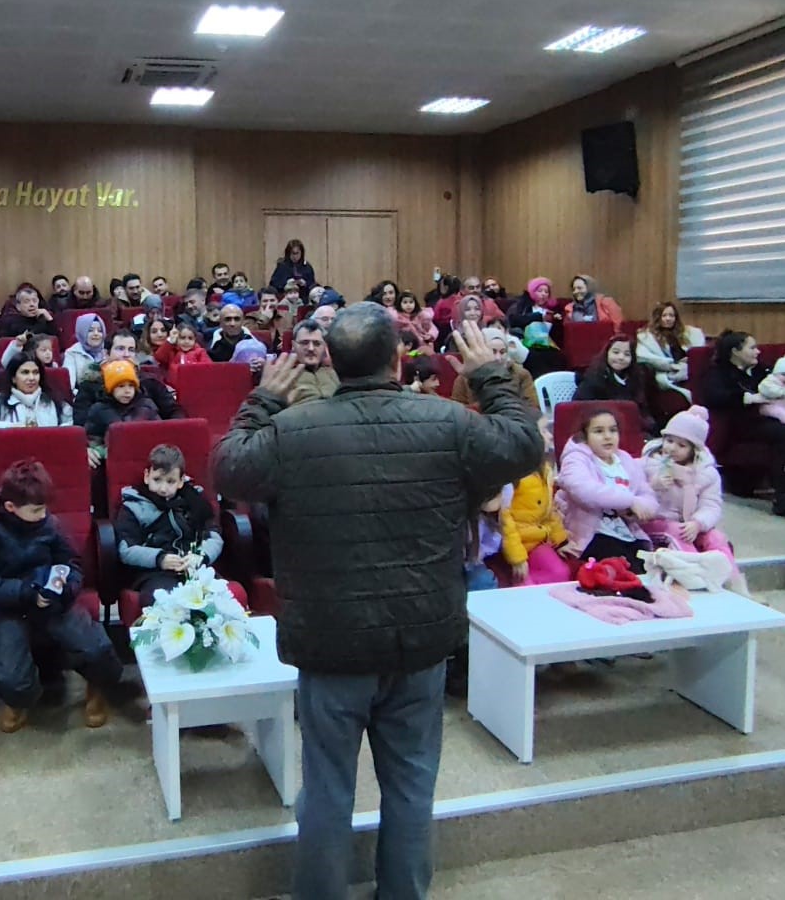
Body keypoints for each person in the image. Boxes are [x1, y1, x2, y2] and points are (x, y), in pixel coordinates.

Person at [212, 306, 541, 900]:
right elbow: (523, 445)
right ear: (397, 359)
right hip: (418, 638)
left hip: (331, 642)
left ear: (332, 361)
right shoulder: (450, 422)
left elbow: (228, 469)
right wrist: (488, 375)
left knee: (328, 790)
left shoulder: (290, 430)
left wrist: (262, 400)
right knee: (412, 787)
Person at [0, 459, 123, 732]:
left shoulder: (51, 524)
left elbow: (72, 563)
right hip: (8, 608)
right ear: (11, 507)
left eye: (44, 508)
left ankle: (96, 689)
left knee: (97, 648)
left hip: (52, 602)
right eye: (36, 510)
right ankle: (20, 701)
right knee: (8, 676)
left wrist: (65, 590)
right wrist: (25, 592)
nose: (43, 514)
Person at [700, 330, 785, 517]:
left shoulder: (761, 370)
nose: (758, 351)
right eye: (752, 348)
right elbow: (714, 397)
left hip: (776, 416)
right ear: (735, 351)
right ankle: (783, 496)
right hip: (744, 423)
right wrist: (749, 398)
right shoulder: (719, 372)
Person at [639, 407, 746, 594]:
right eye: (669, 441)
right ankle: (697, 579)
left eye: (681, 445)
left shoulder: (706, 473)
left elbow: (711, 505)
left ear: (694, 450)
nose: (672, 448)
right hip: (656, 522)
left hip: (689, 523)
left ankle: (733, 583)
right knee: (678, 532)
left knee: (715, 537)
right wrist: (654, 485)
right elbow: (636, 493)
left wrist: (698, 523)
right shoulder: (648, 463)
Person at [114, 444, 226, 609]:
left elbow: (214, 537)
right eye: (157, 480)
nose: (163, 488)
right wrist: (160, 558)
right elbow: (126, 550)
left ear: (181, 481)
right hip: (153, 572)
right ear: (146, 476)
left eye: (171, 481)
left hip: (194, 567)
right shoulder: (133, 506)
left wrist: (200, 556)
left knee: (221, 601)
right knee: (167, 603)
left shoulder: (196, 502)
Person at [556, 407, 659, 573]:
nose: (607, 436)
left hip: (627, 533)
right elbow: (584, 491)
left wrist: (637, 509)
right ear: (585, 436)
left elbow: (647, 495)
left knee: (651, 568)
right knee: (624, 569)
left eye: (613, 430)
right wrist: (629, 501)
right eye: (598, 431)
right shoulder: (575, 458)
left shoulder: (626, 460)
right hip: (591, 536)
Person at [503, 416, 572, 585]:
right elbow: (504, 520)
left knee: (561, 573)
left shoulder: (545, 469)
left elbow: (550, 511)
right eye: (543, 431)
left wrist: (560, 540)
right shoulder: (511, 473)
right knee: (525, 584)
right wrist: (517, 557)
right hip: (513, 544)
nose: (550, 435)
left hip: (536, 540)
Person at [74, 329, 180, 421]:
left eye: (131, 350)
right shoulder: (91, 385)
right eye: (120, 349)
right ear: (106, 353)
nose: (126, 354)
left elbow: (174, 412)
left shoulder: (149, 382)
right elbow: (82, 423)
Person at [574, 336, 659, 437]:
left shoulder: (636, 378)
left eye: (627, 354)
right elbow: (581, 409)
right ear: (607, 353)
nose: (621, 357)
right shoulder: (593, 379)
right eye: (616, 352)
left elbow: (642, 409)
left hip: (634, 429)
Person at [0, 355, 73, 437]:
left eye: (35, 372)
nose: (32, 378)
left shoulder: (53, 399)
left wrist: (58, 433)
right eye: (25, 373)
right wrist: (12, 428)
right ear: (13, 378)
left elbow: (72, 423)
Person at [83, 360, 160, 466]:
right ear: (110, 388)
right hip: (113, 461)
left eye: (131, 386)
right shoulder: (99, 409)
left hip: (145, 458)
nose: (127, 391)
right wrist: (99, 450)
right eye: (121, 386)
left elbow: (158, 432)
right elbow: (92, 437)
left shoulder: (147, 406)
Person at [635, 301, 704, 400]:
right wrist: (671, 365)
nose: (668, 319)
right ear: (658, 317)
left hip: (685, 367)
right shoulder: (646, 337)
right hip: (665, 371)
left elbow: (696, 351)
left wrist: (688, 359)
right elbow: (642, 356)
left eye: (671, 315)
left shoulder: (688, 333)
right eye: (664, 315)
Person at [464, 487, 509, 592]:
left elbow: (493, 542)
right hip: (454, 565)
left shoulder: (490, 518)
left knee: (484, 580)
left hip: (475, 562)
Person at [286, 320, 339, 406]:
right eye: (304, 343)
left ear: (324, 346)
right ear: (293, 345)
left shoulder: (336, 374)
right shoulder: (283, 377)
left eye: (317, 343)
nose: (311, 348)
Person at [61, 312, 109, 386]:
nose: (96, 334)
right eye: (90, 330)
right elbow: (69, 385)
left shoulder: (109, 350)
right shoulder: (72, 353)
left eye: (100, 330)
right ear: (82, 332)